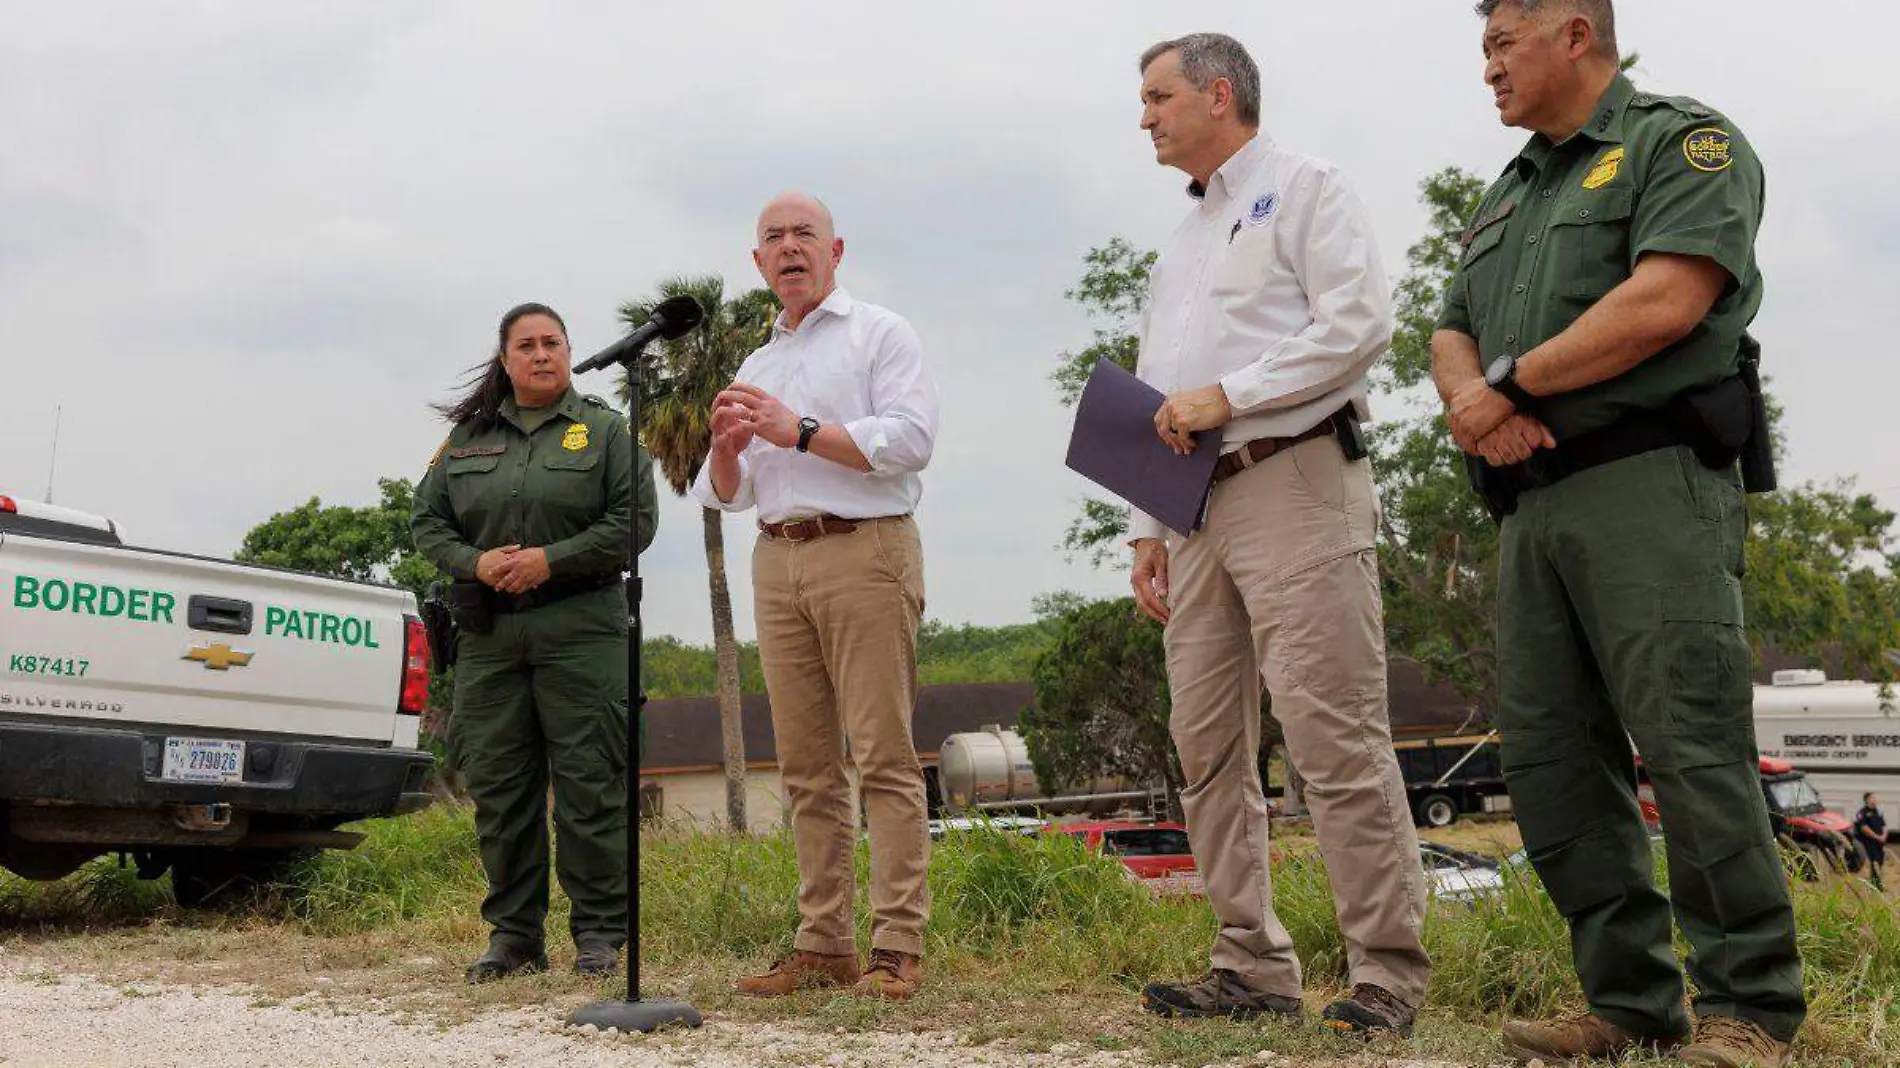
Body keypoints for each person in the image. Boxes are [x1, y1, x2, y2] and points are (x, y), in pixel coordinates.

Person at [1431, 2, 1805, 1064]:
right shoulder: (1510, 190)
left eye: (1504, 43)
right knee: (1551, 759)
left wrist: (1505, 388)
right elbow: (1447, 325)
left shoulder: (1678, 144)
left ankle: (1749, 1007)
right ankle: (1628, 1002)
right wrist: (1476, 401)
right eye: (1484, 48)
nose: (1488, 68)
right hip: (1532, 502)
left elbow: (1665, 301)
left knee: (1688, 744)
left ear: (1574, 35)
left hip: (1647, 483)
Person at [1123, 33, 1430, 1039]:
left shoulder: (1308, 187)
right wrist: (1147, 526)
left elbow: (1356, 325)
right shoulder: (1179, 240)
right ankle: (1250, 965)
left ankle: (1385, 975)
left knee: (1332, 735)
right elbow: (1162, 387)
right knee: (1205, 745)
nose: (1145, 117)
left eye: (1159, 97)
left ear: (1220, 94)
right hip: (1194, 508)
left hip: (1292, 478)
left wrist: (1233, 395)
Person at [693, 192, 940, 1001]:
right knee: (805, 765)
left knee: (883, 753)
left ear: (838, 250)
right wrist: (729, 447)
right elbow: (722, 492)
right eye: (773, 238)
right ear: (755, 261)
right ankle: (823, 942)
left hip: (863, 549)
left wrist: (797, 429)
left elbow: (910, 441)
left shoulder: (880, 332)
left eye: (805, 234)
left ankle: (898, 943)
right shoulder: (755, 367)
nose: (790, 247)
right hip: (778, 556)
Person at [411, 301, 659, 983]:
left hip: (581, 624)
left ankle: (599, 934)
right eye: (527, 345)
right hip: (490, 633)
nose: (542, 354)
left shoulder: (604, 431)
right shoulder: (467, 441)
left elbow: (634, 522)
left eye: (553, 342)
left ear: (569, 351)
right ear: (505, 359)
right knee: (500, 786)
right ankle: (515, 937)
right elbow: (427, 523)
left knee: (589, 784)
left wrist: (551, 558)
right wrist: (476, 563)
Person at [1855, 793, 1887, 892]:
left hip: (1879, 841)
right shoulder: (1862, 812)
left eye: (1875, 797)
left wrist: (1884, 836)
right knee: (1875, 861)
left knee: (1880, 861)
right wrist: (1877, 837)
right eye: (1873, 798)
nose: (1875, 799)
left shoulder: (1878, 811)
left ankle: (1876, 882)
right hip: (1869, 841)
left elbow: (1883, 825)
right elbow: (1864, 828)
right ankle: (1875, 885)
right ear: (1867, 800)